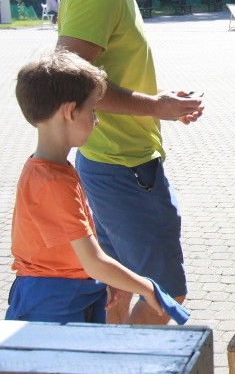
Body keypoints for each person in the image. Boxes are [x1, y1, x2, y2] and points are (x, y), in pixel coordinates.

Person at [56, 0, 204, 326]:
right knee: (165, 293)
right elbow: (71, 81)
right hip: (123, 169)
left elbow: (101, 74)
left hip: (115, 166)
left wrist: (159, 103)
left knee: (116, 289)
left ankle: (105, 373)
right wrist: (155, 107)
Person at [6, 50, 169, 324]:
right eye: (92, 109)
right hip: (52, 302)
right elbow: (93, 259)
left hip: (67, 291)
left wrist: (99, 278)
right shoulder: (52, 181)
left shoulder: (53, 168)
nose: (96, 120)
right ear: (70, 111)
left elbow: (80, 253)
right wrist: (146, 287)